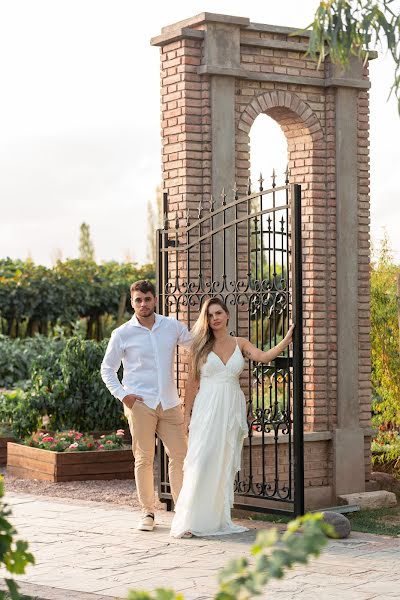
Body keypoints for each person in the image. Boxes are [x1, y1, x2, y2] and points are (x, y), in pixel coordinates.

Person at [170, 297, 294, 539]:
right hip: (207, 408)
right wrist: (186, 416)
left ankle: (215, 519)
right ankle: (189, 521)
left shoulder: (241, 343)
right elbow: (191, 383)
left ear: (227, 315)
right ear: (206, 320)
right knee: (201, 460)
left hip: (231, 409)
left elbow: (265, 357)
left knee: (223, 462)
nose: (214, 318)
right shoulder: (200, 347)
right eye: (210, 315)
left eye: (218, 313)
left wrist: (287, 339)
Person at [100, 279, 191, 532]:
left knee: (180, 456)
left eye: (147, 299)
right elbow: (107, 369)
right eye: (138, 300)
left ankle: (182, 513)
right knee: (144, 458)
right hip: (140, 404)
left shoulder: (171, 326)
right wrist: (123, 395)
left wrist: (225, 338)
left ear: (155, 300)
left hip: (170, 402)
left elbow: (195, 343)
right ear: (132, 302)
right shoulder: (122, 334)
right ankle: (147, 512)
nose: (143, 304)